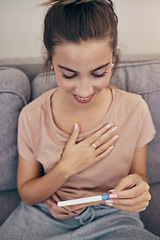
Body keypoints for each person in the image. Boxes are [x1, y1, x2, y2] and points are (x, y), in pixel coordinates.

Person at [1, 0, 159, 239]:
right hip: (45, 216)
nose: (84, 91)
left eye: (99, 73)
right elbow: (28, 194)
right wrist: (66, 168)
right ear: (49, 57)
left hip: (113, 217)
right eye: (69, 74)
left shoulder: (134, 109)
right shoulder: (32, 117)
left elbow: (139, 175)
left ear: (113, 57)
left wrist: (138, 188)